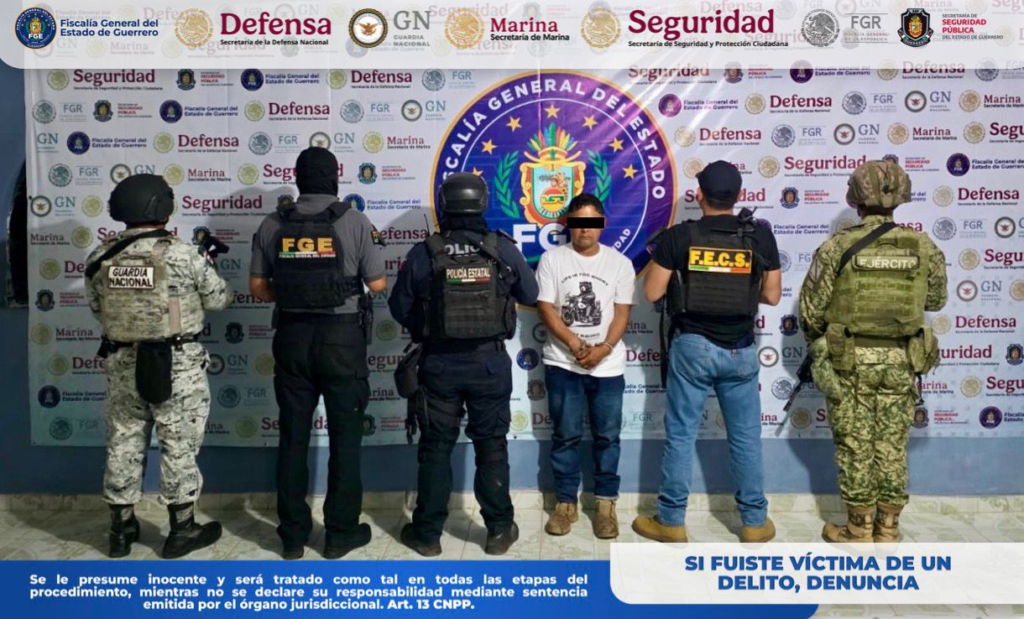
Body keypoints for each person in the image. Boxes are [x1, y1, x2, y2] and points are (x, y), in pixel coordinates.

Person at [388, 173, 538, 556]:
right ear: (483, 203)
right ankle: (499, 531)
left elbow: (398, 307)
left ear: (444, 204)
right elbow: (531, 293)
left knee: (436, 448)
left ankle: (427, 534)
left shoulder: (425, 252)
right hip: (489, 364)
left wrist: (430, 322)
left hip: (439, 364)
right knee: (492, 446)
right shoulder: (502, 250)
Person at [632, 160, 782, 543]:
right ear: (739, 196)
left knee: (681, 436)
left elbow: (652, 292)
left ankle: (671, 521)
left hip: (693, 347)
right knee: (745, 438)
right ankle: (754, 523)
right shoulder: (760, 237)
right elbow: (771, 295)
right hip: (741, 350)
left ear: (699, 195)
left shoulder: (680, 236)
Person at [249, 147, 387, 560]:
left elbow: (257, 288)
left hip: (292, 337)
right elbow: (377, 285)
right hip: (342, 339)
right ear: (334, 178)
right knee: (345, 439)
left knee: (292, 437)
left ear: (298, 178)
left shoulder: (273, 222)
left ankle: (292, 537)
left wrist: (294, 295)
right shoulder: (355, 221)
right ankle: (341, 534)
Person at [84, 174, 231, 559]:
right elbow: (218, 299)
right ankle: (182, 530)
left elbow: (98, 308)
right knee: (178, 445)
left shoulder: (100, 256)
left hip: (122, 365)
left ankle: (120, 531)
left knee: (123, 443)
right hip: (176, 366)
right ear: (162, 208)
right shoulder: (183, 255)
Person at [800, 160, 947, 543]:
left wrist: (823, 344)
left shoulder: (837, 247)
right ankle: (888, 526)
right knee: (892, 445)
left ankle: (858, 527)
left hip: (849, 361)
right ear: (901, 197)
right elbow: (936, 300)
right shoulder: (924, 247)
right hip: (902, 361)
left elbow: (811, 312)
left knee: (855, 443)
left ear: (855, 198)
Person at [535, 194, 634, 539]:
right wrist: (576, 345)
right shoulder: (551, 260)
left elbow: (622, 312)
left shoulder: (620, 263)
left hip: (608, 367)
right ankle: (566, 503)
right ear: (569, 225)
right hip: (563, 363)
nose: (584, 230)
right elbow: (546, 308)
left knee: (608, 437)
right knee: (565, 436)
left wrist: (603, 348)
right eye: (578, 223)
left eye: (591, 223)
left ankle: (605, 504)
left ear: (602, 224)